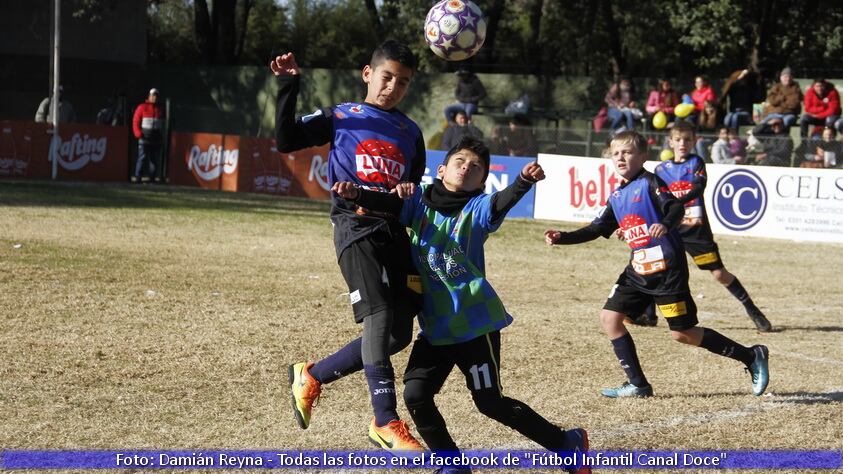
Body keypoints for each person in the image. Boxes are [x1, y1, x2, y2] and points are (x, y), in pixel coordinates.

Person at [333, 137, 590, 474]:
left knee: (490, 402)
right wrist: (357, 195)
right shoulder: (418, 205)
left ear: (482, 180)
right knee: (415, 395)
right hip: (436, 329)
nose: (466, 167)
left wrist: (523, 182)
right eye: (460, 161)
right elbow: (389, 205)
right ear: (441, 169)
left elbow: (500, 202)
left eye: (476, 166)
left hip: (474, 327)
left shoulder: (477, 209)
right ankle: (451, 464)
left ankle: (566, 444)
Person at [271, 41, 425, 451]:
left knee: (396, 336)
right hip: (354, 228)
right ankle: (385, 420)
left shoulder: (412, 133)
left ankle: (312, 375)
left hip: (393, 233)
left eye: (403, 82)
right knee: (377, 312)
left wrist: (406, 192)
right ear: (367, 74)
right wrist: (289, 86)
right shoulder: (342, 115)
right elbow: (287, 140)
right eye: (387, 76)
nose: (393, 87)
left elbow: (406, 197)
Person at [544, 131, 770, 399]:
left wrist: (664, 223)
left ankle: (751, 355)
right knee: (610, 318)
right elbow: (596, 228)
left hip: (667, 272)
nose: (620, 157)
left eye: (627, 152)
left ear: (642, 156)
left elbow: (675, 208)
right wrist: (562, 237)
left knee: (683, 334)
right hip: (637, 271)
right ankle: (638, 385)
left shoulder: (651, 183)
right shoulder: (617, 195)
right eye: (616, 153)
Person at [131, 88, 165, 183]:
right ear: (149, 96)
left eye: (156, 96)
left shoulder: (160, 109)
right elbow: (135, 121)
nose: (155, 98)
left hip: (155, 138)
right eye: (153, 95)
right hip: (144, 137)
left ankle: (152, 179)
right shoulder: (142, 107)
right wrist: (138, 133)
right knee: (142, 157)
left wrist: (161, 136)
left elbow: (162, 124)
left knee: (153, 159)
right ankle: (138, 178)